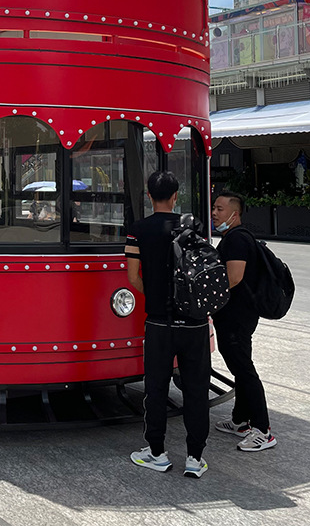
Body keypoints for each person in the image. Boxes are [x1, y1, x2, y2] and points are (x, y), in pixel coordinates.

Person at [126, 171, 211, 478]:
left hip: (160, 323)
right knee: (196, 389)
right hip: (195, 323)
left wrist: (159, 296)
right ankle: (194, 457)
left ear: (149, 195)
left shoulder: (138, 230)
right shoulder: (193, 227)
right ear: (177, 195)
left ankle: (157, 453)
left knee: (157, 387)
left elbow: (133, 276)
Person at [211, 190, 277, 452]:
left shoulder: (237, 240)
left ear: (234, 213)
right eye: (214, 208)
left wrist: (209, 300)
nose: (215, 213)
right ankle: (241, 421)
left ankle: (263, 429)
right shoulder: (235, 236)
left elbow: (234, 277)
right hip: (237, 315)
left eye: (220, 209)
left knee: (244, 370)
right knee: (239, 367)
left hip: (236, 316)